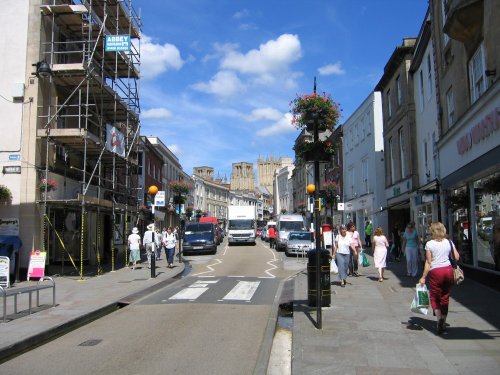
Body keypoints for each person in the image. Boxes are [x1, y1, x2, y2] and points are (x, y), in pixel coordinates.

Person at [419, 222, 460, 335]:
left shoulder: (429, 244)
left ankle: (438, 320)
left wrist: (423, 277)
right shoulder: (448, 242)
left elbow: (428, 262)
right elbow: (456, 257)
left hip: (436, 272)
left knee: (435, 296)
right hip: (448, 271)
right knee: (445, 297)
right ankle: (444, 319)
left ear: (432, 231)